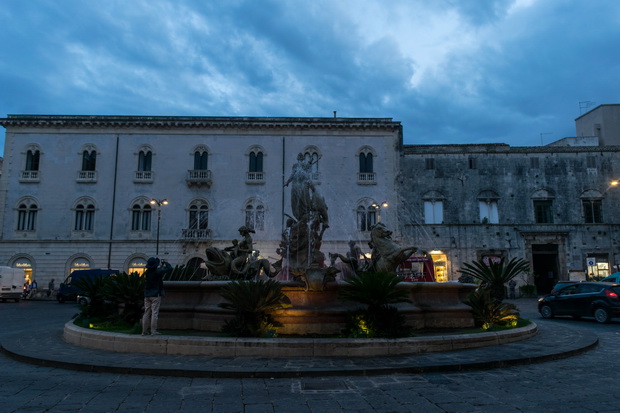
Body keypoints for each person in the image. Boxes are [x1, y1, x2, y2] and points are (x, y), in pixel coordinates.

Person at [142, 257, 173, 336]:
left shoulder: (147, 273)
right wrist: (166, 262)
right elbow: (169, 269)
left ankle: (144, 331)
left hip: (147, 294)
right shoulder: (158, 272)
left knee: (146, 313)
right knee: (154, 313)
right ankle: (153, 331)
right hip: (155, 295)